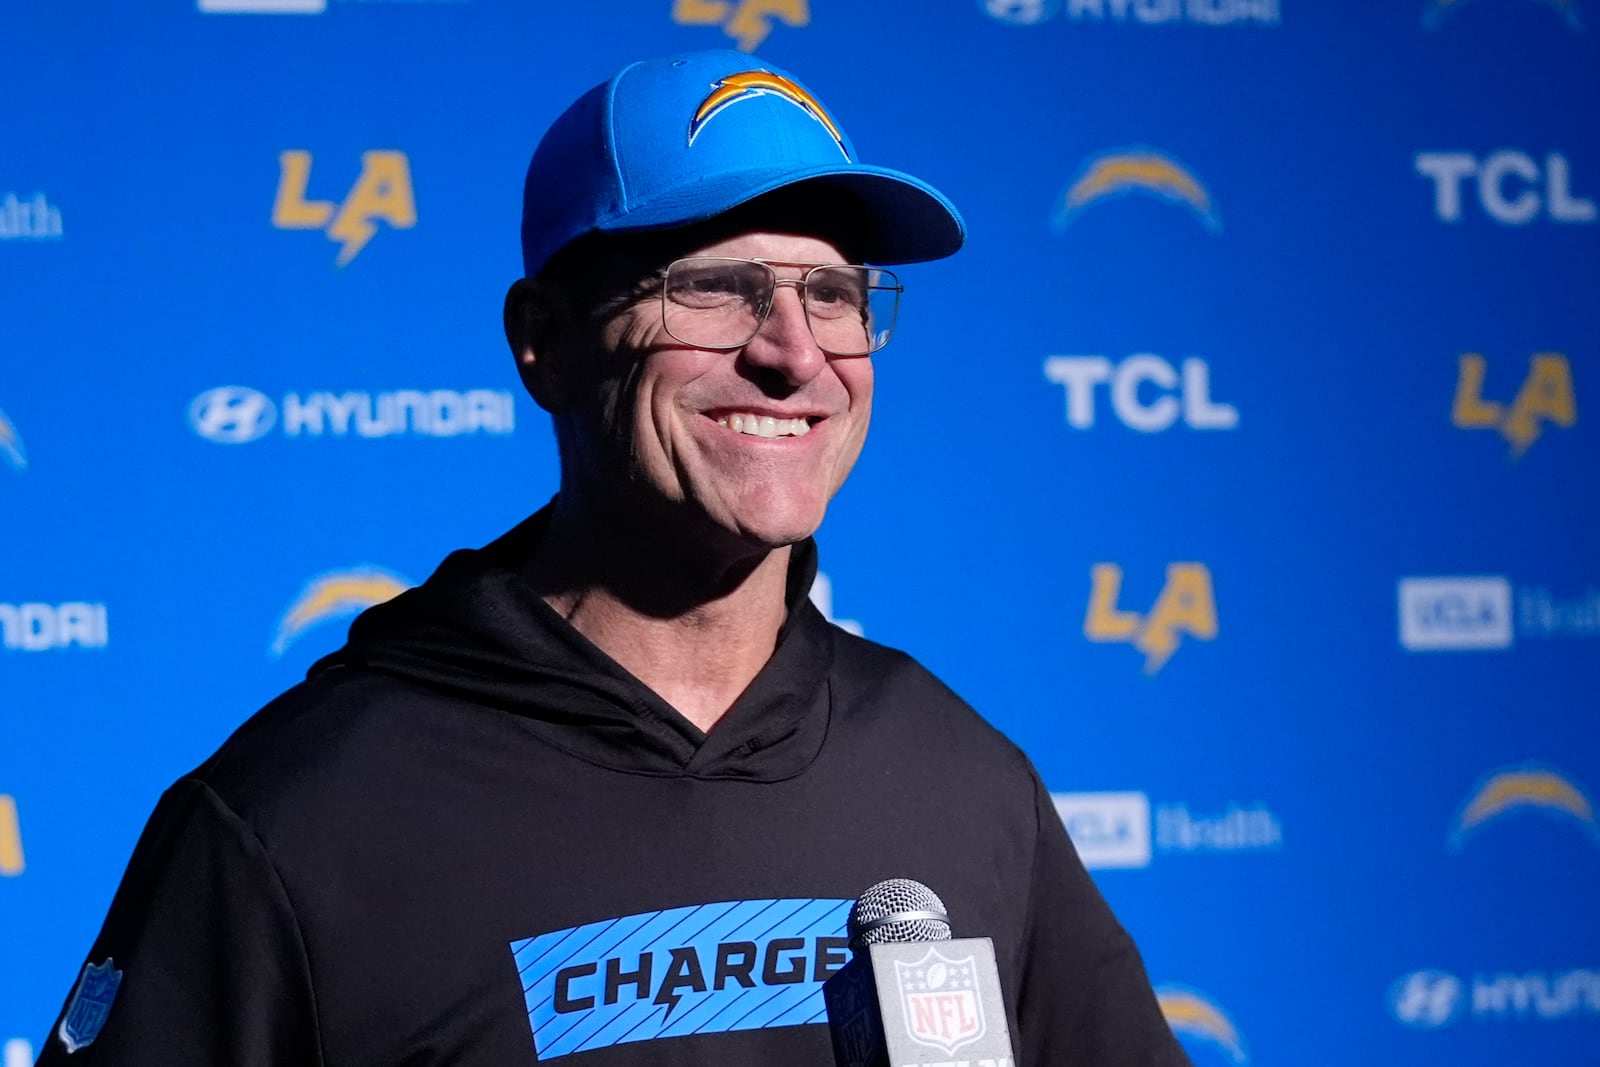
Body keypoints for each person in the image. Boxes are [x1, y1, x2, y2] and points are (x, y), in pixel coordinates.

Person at [39, 50, 1189, 1065]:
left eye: (832, 295)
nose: (794, 354)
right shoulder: (297, 819)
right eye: (717, 289)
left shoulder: (958, 776)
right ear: (544, 341)